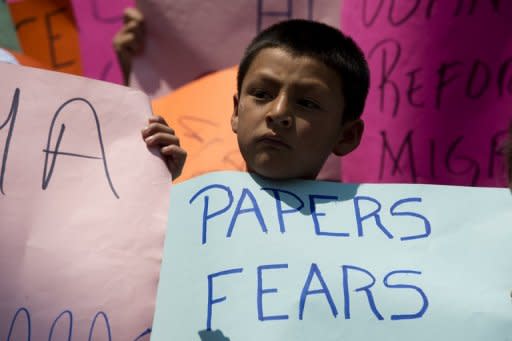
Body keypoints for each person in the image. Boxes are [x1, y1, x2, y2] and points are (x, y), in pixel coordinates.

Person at [142, 19, 368, 181]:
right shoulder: (178, 207)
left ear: (347, 136)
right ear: (236, 113)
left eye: (307, 104)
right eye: (262, 95)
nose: (278, 113)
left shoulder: (361, 241)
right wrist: (158, 190)